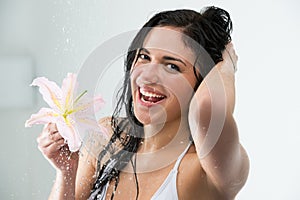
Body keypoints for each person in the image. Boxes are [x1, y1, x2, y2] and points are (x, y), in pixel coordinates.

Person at [37, 6, 249, 200]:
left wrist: (227, 62)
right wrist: (66, 171)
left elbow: (205, 109)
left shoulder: (204, 171)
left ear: (203, 82)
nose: (147, 76)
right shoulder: (108, 138)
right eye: (145, 57)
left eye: (172, 66)